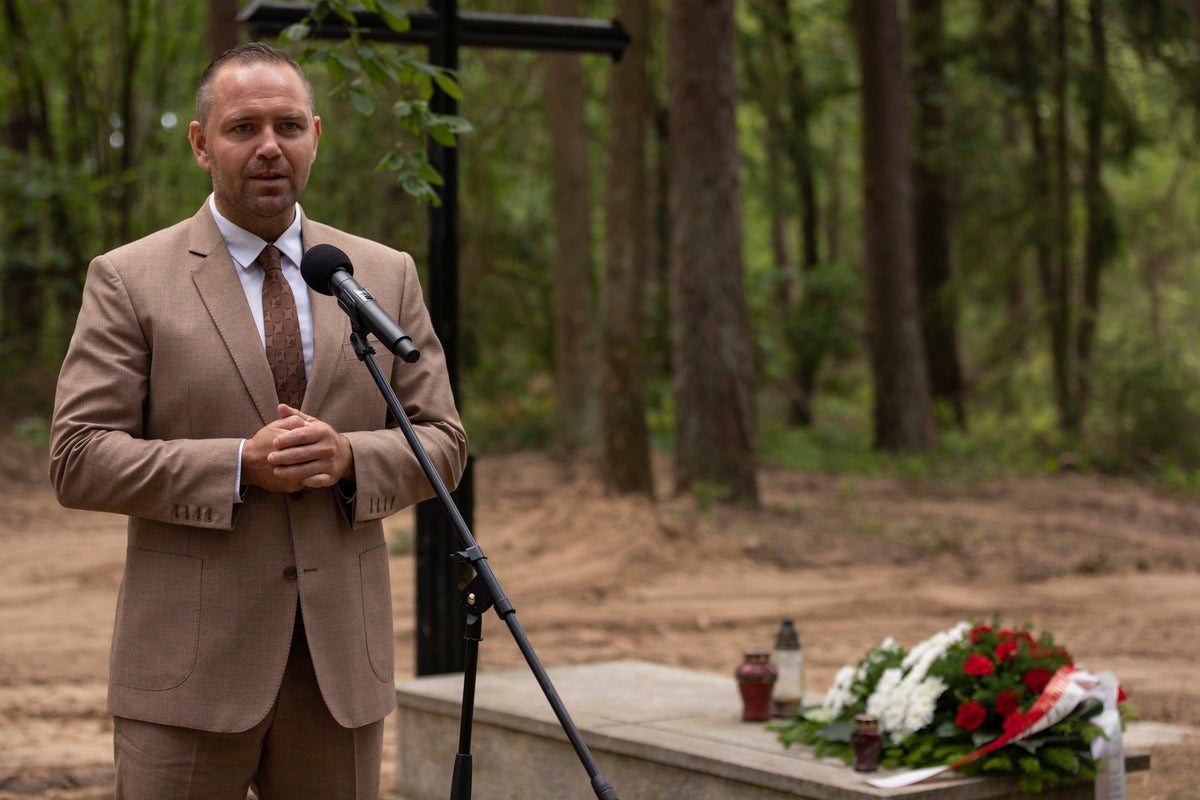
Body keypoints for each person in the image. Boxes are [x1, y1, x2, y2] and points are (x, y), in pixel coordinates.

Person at [48, 42, 468, 799]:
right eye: (243, 128)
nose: (269, 146)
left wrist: (348, 457)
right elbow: (78, 455)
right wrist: (239, 463)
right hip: (185, 672)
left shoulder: (381, 274)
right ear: (202, 144)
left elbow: (441, 440)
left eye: (288, 125)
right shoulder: (129, 278)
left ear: (316, 135)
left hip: (338, 671)